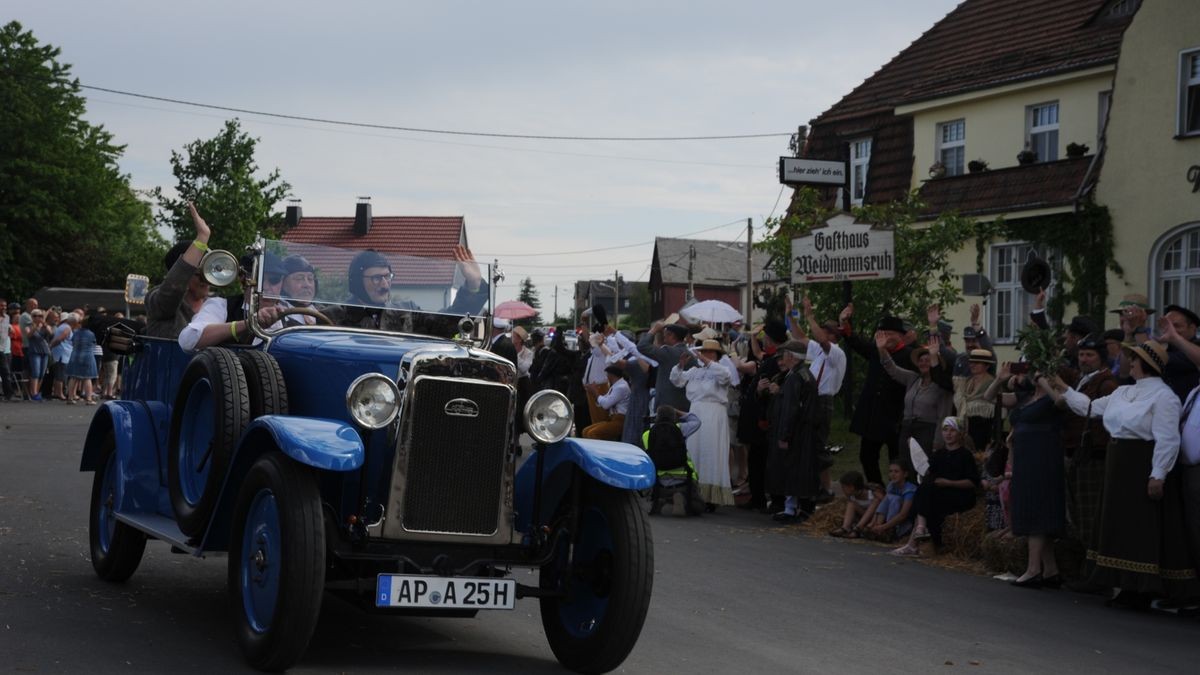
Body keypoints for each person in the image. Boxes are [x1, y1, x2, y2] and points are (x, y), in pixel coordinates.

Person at [1055, 340, 1200, 606]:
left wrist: (1158, 474)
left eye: (1133, 359)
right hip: (1118, 464)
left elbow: (1167, 438)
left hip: (1139, 465)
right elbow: (1090, 407)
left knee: (1139, 526)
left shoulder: (1164, 396)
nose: (1128, 362)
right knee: (1119, 524)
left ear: (1143, 364)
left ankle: (1142, 589)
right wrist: (1062, 387)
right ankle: (1124, 585)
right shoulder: (1124, 393)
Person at [1052, 333, 1117, 589]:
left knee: (1091, 518)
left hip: (1095, 456)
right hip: (1078, 454)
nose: (1084, 359)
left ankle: (1097, 577)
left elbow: (1094, 412)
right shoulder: (1083, 379)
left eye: (1090, 355)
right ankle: (1085, 572)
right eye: (1081, 355)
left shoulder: (1107, 383)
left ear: (1101, 357)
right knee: (1079, 516)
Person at [1003, 364, 1066, 588]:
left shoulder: (1051, 396)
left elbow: (1061, 402)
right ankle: (1050, 570)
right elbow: (993, 397)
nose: (1029, 376)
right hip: (1026, 458)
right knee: (1032, 506)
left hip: (1043, 457)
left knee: (1038, 508)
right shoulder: (1026, 397)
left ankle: (1033, 569)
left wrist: (1045, 382)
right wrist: (1002, 379)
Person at [841, 305, 915, 484]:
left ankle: (899, 494)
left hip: (896, 417)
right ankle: (878, 489)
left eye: (890, 334)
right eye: (882, 333)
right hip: (874, 416)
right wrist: (844, 321)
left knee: (897, 460)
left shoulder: (909, 355)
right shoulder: (875, 351)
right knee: (867, 456)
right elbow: (855, 341)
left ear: (900, 336)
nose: (885, 338)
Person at [330, 246, 488, 330]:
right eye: (376, 278)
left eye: (387, 277)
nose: (384, 285)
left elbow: (445, 324)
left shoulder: (405, 313)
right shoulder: (334, 317)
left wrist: (473, 286)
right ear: (358, 282)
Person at [891, 417, 979, 556]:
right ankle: (919, 533)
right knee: (924, 490)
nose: (948, 434)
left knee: (926, 496)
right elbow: (928, 473)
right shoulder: (939, 454)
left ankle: (915, 539)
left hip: (959, 494)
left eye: (952, 430)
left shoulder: (965, 455)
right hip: (940, 492)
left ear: (959, 433)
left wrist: (949, 483)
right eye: (945, 430)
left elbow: (972, 482)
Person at [178, 253, 288, 352]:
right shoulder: (222, 306)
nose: (266, 288)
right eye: (258, 280)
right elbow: (187, 340)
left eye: (275, 280)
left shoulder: (291, 315)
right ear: (243, 279)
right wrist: (248, 324)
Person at [671, 338, 734, 509]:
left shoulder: (721, 369)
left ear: (716, 354)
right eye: (704, 351)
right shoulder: (694, 371)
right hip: (696, 411)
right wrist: (681, 365)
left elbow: (726, 377)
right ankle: (693, 492)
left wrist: (707, 361)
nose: (705, 355)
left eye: (709, 352)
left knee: (710, 452)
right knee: (694, 451)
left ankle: (710, 496)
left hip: (713, 414)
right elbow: (676, 380)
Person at [765, 339, 820, 522]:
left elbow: (791, 408)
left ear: (791, 356)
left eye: (785, 354)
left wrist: (785, 433)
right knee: (797, 469)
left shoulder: (796, 377)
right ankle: (796, 508)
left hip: (797, 431)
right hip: (802, 429)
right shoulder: (802, 374)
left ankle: (794, 509)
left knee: (793, 469)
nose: (782, 358)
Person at [878, 333, 954, 464]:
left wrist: (938, 442)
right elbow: (892, 369)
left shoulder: (941, 386)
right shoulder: (913, 378)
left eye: (927, 360)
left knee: (923, 467)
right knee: (905, 463)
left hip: (927, 430)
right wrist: (882, 350)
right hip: (907, 428)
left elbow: (943, 415)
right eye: (921, 360)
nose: (923, 363)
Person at [145, 202, 213, 339]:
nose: (206, 281)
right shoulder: (157, 300)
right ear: (181, 274)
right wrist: (202, 238)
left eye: (210, 273)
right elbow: (172, 291)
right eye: (201, 275)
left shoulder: (215, 306)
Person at [955, 349, 997, 450]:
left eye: (977, 363)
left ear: (986, 366)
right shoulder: (968, 381)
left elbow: (998, 412)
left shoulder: (991, 383)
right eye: (971, 362)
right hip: (966, 430)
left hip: (984, 432)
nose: (972, 365)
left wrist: (991, 439)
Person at [867, 461, 918, 541]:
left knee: (895, 499)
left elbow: (903, 514)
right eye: (890, 471)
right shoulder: (891, 485)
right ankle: (878, 526)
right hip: (890, 520)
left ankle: (889, 530)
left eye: (896, 472)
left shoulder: (910, 490)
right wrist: (874, 522)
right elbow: (884, 502)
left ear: (905, 474)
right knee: (888, 497)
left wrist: (884, 527)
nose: (893, 474)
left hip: (905, 522)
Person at [582, 364, 629, 441]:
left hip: (620, 420)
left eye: (608, 374)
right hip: (613, 419)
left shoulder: (621, 387)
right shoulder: (615, 386)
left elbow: (606, 405)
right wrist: (594, 394)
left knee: (592, 433)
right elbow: (602, 402)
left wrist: (595, 392)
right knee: (585, 431)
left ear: (612, 375)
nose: (607, 377)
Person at [827, 471, 874, 538]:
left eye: (843, 487)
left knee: (853, 503)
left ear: (851, 487)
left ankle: (857, 529)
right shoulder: (852, 496)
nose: (842, 490)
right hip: (861, 516)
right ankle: (845, 527)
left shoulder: (871, 495)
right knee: (851, 504)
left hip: (872, 518)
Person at [65, 316, 99, 405]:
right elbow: (94, 343)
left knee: (73, 377)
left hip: (75, 355)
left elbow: (72, 342)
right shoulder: (91, 334)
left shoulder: (75, 332)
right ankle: (88, 399)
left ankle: (70, 398)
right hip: (87, 356)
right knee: (87, 378)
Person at [279, 254, 318, 326]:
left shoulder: (323, 311)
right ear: (283, 283)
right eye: (299, 279)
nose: (307, 285)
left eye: (310, 279)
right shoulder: (276, 315)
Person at [21, 308, 51, 401]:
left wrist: (44, 324)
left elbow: (51, 333)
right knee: (36, 372)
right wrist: (36, 325)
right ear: (32, 317)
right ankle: (33, 393)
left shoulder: (44, 326)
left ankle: (36, 392)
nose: (38, 317)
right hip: (34, 351)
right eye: (35, 316)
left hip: (44, 351)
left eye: (40, 316)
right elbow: (29, 335)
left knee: (42, 373)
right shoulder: (28, 326)